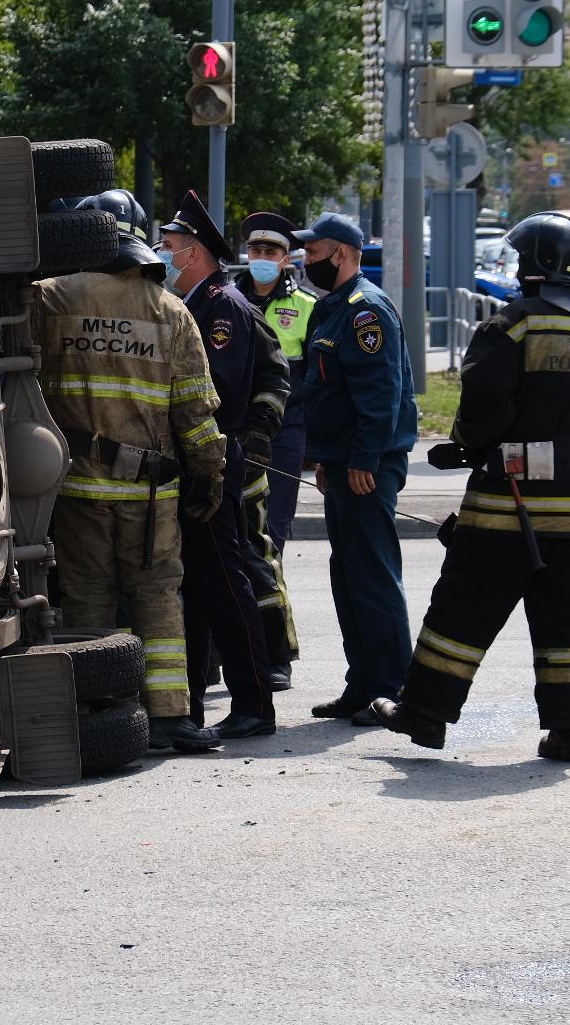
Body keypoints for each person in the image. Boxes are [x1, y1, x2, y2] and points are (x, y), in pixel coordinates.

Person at [371, 212, 570, 763]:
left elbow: (483, 410)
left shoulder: (514, 326)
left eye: (520, 259)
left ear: (537, 264)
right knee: (569, 618)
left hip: (508, 502)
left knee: (462, 609)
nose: (514, 270)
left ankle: (424, 714)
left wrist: (464, 448)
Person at [34, 191, 225, 753]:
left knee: (88, 595)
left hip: (72, 488)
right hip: (150, 494)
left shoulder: (51, 299)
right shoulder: (170, 311)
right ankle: (169, 716)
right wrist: (208, 473)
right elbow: (195, 408)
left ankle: (103, 709)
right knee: (158, 595)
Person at [157, 191, 288, 738]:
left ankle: (255, 702)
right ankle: (191, 707)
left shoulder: (222, 308)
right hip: (195, 459)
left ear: (192, 253)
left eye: (168, 247)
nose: (162, 255)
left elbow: (219, 391)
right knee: (203, 585)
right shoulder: (199, 303)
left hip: (212, 459)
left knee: (226, 584)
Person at [298, 213, 418, 726]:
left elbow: (380, 392)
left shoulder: (366, 311)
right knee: (347, 576)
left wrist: (365, 458)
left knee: (372, 574)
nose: (306, 261)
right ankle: (360, 683)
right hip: (343, 462)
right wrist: (326, 457)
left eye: (313, 252)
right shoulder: (332, 310)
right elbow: (327, 391)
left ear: (341, 254)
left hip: (367, 465)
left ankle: (390, 686)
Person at [233, 212, 319, 688]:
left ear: (287, 259)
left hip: (284, 436)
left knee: (270, 539)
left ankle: (273, 653)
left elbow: (313, 380)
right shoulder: (227, 300)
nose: (262, 259)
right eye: (256, 251)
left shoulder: (306, 306)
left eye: (272, 252)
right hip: (234, 433)